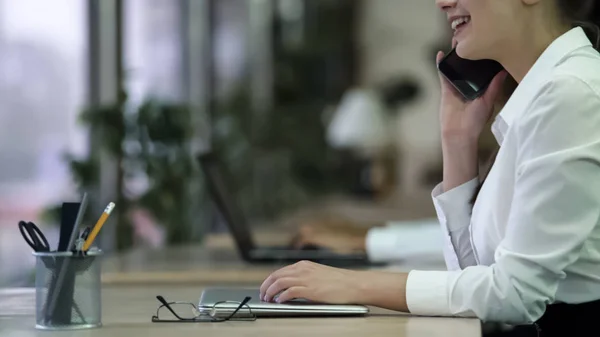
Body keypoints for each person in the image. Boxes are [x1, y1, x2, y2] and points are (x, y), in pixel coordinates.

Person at [260, 0, 600, 335]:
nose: (443, 2)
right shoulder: (544, 95)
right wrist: (457, 141)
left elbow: (514, 295)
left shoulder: (571, 95)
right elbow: (473, 276)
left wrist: (353, 283)